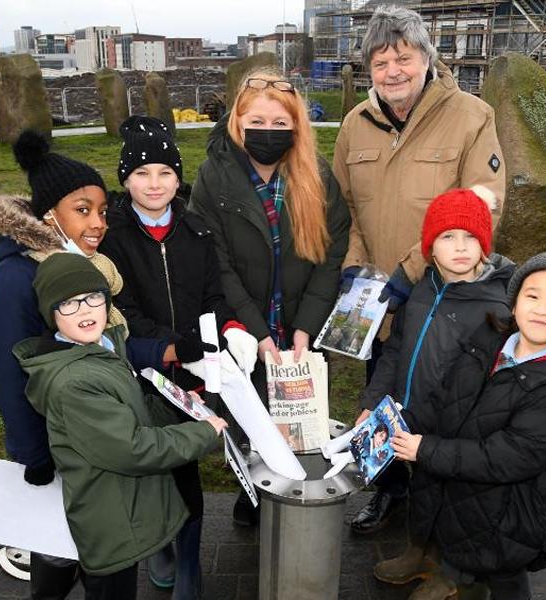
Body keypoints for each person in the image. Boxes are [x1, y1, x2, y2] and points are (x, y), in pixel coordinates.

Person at [335, 6, 506, 532]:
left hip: (442, 297)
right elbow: (345, 208)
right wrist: (354, 267)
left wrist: (411, 269)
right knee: (382, 394)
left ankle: (438, 508)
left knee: (439, 403)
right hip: (380, 303)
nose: (393, 71)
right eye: (380, 61)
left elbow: (483, 205)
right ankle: (389, 492)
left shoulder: (471, 116)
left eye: (403, 58)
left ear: (427, 57)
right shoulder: (353, 125)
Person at [0, 131, 169, 598]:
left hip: (97, 438)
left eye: (103, 211)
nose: (99, 222)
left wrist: (161, 352)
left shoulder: (81, 265)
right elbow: (8, 374)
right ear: (49, 214)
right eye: (82, 210)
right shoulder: (19, 277)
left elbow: (104, 343)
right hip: (58, 446)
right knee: (66, 549)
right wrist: (33, 455)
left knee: (86, 552)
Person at [99, 115, 258, 599]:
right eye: (142, 174)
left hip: (190, 379)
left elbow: (213, 293)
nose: (154, 184)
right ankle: (159, 545)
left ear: (177, 177)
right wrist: (171, 348)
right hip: (137, 375)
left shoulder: (195, 229)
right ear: (125, 180)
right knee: (146, 468)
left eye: (164, 172)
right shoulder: (113, 238)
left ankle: (188, 562)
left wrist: (231, 328)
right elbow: (119, 312)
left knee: (185, 468)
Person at [13, 252, 228, 600]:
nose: (84, 310)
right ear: (51, 314)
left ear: (106, 300)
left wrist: (185, 409)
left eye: (93, 297)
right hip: (109, 521)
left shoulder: (102, 346)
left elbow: (133, 406)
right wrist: (202, 433)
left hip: (121, 504)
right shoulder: (74, 382)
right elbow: (131, 448)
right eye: (68, 303)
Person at [392, 252, 546, 600]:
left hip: (509, 515)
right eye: (532, 295)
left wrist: (426, 450)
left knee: (504, 578)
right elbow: (447, 396)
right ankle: (452, 579)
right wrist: (407, 424)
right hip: (461, 490)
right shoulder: (489, 340)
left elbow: (507, 456)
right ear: (515, 301)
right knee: (459, 546)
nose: (541, 308)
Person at [189, 69, 351, 525]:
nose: (268, 132)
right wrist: (257, 334)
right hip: (246, 324)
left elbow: (332, 252)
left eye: (281, 124)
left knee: (299, 416)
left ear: (297, 127)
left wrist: (307, 326)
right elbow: (216, 264)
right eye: (257, 121)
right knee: (252, 414)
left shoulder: (316, 177)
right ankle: (254, 490)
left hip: (301, 318)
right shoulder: (214, 178)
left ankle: (294, 491)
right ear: (237, 123)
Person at [357, 187, 514, 598]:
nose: (460, 247)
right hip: (413, 420)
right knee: (424, 489)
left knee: (459, 501)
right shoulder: (423, 288)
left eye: (470, 237)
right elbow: (394, 350)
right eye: (448, 237)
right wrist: (373, 402)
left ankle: (456, 576)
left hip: (459, 433)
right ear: (429, 246)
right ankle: (420, 551)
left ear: (485, 242)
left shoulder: (497, 305)